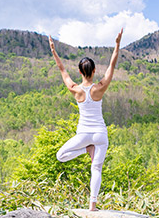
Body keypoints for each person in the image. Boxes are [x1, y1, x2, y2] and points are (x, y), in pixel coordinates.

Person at [48, 28, 123, 211]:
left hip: (83, 135)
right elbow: (112, 66)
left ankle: (84, 151)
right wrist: (117, 44)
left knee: (60, 156)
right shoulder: (101, 87)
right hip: (99, 134)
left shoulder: (75, 89)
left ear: (80, 72)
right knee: (96, 169)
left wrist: (53, 51)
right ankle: (92, 206)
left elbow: (62, 69)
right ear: (94, 70)